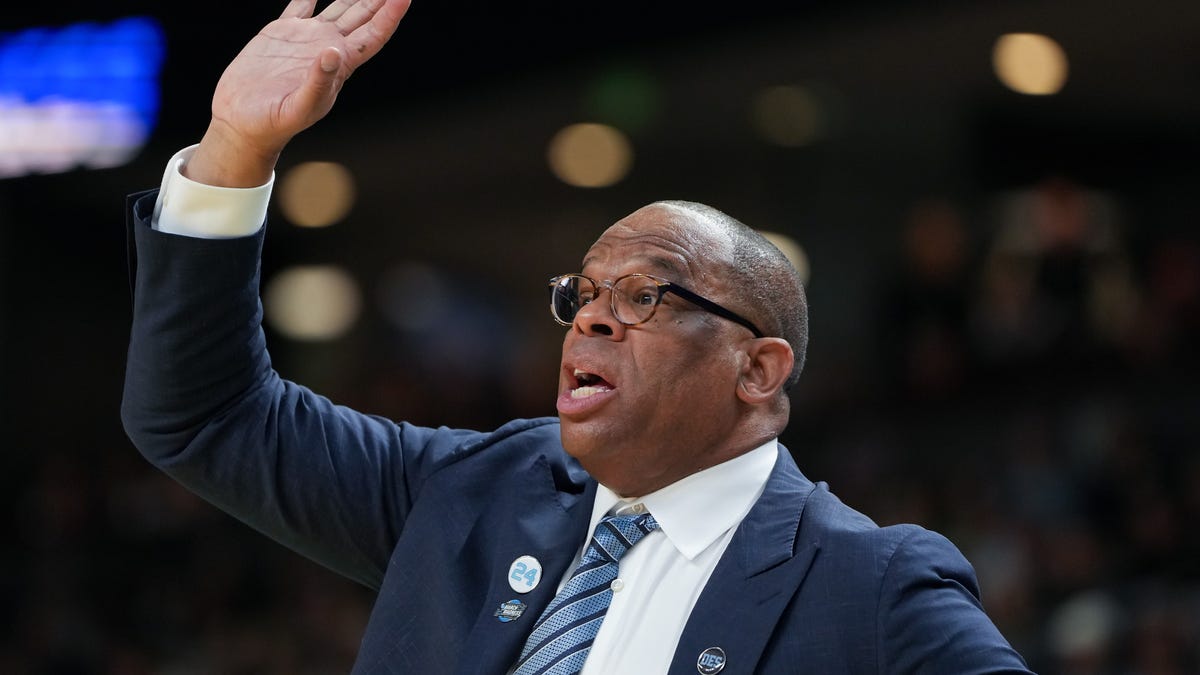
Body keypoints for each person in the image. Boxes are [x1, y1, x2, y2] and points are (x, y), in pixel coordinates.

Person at [121, 1, 1033, 672]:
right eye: (585, 293)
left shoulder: (868, 584)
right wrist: (234, 147)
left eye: (644, 296)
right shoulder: (469, 493)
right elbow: (203, 414)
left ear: (758, 368)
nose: (592, 316)